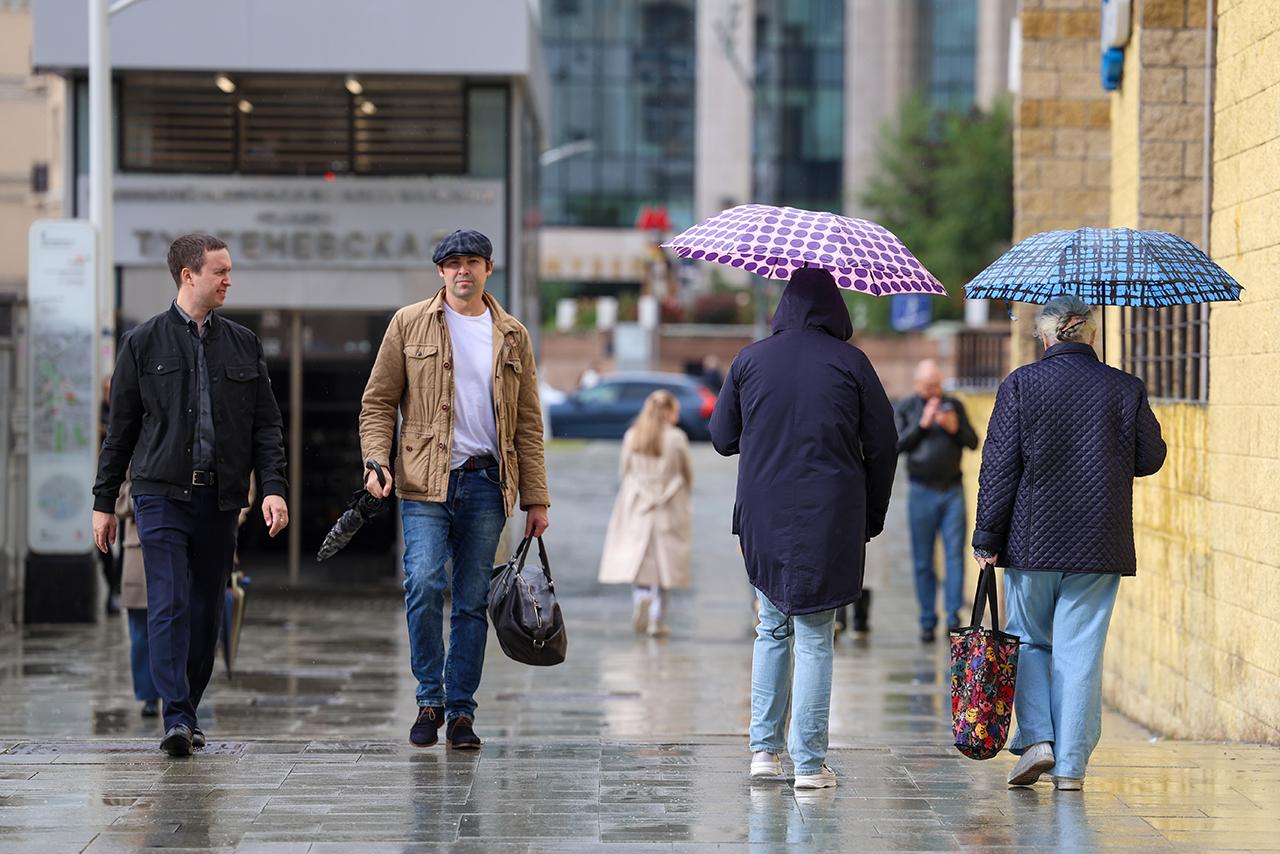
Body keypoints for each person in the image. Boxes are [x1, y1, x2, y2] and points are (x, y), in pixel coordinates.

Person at [92, 233, 290, 757]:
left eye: (230, 270)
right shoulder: (142, 342)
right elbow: (120, 431)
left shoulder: (244, 343)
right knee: (169, 602)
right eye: (220, 271)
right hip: (159, 495)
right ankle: (175, 717)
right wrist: (103, 503)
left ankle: (190, 706)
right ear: (188, 275)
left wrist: (272, 490)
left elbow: (266, 427)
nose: (229, 279)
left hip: (221, 500)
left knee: (207, 609)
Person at [359, 228, 550, 751]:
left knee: (470, 601)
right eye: (453, 263)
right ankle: (429, 698)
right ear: (440, 272)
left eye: (473, 261)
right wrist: (376, 459)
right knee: (422, 583)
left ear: (489, 269)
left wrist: (536, 498)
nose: (463, 270)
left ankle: (461, 712)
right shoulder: (408, 323)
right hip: (424, 481)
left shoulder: (513, 334)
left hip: (488, 482)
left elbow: (528, 425)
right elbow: (377, 403)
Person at [709, 268, 897, 790]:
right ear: (837, 310)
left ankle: (764, 754)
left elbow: (722, 437)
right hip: (832, 516)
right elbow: (885, 443)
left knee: (771, 627)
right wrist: (871, 513)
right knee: (816, 636)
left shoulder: (750, 360)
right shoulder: (852, 364)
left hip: (763, 517)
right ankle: (810, 765)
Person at [973, 296, 1165, 792]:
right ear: (1093, 336)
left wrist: (986, 536)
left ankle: (1038, 739)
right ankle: (1072, 769)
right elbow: (1150, 459)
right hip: (1101, 544)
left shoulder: (1020, 385)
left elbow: (998, 468)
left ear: (1045, 337)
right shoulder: (1126, 387)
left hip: (1031, 543)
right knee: (1080, 651)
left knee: (1031, 640)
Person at [597, 390, 693, 638]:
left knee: (640, 561)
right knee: (664, 567)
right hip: (667, 505)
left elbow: (624, 470)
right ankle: (657, 619)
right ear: (670, 412)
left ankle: (641, 597)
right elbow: (687, 472)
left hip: (637, 504)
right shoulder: (676, 438)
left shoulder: (633, 436)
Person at [895, 359, 979, 642]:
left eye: (937, 385)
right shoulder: (907, 407)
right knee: (923, 560)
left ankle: (953, 617)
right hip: (920, 491)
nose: (934, 392)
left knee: (955, 555)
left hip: (952, 490)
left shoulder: (953, 405)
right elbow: (897, 445)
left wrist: (954, 428)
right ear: (918, 384)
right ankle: (927, 620)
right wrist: (923, 424)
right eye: (928, 386)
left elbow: (973, 441)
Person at [116, 479, 158, 719]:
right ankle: (148, 694)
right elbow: (115, 499)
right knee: (141, 629)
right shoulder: (128, 450)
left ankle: (182, 692)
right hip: (138, 548)